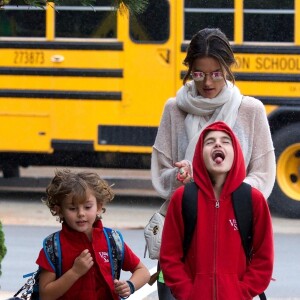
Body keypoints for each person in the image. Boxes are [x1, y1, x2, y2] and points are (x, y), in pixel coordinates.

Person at [151, 28, 276, 299]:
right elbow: (161, 174)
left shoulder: (250, 110)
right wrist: (181, 175)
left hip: (235, 241)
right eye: (199, 74)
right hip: (184, 233)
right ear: (188, 71)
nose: (207, 82)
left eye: (216, 73)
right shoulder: (174, 109)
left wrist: (226, 188)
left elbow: (264, 175)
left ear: (228, 68)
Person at [160, 121, 274, 300]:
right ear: (199, 154)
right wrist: (189, 293)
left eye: (226, 141)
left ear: (235, 153)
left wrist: (241, 292)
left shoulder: (253, 200)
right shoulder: (183, 198)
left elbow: (264, 259)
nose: (218, 144)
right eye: (209, 141)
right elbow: (170, 256)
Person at [36, 169, 150, 300]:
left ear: (99, 207)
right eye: (72, 209)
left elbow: (143, 272)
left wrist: (130, 285)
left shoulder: (112, 239)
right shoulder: (53, 246)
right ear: (59, 210)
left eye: (87, 207)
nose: (81, 213)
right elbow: (45, 295)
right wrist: (75, 272)